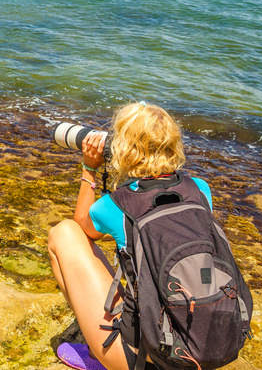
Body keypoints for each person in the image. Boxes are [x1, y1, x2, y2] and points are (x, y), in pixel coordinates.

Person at [47, 102, 213, 370]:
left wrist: (89, 168)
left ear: (121, 147)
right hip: (203, 345)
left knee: (62, 234)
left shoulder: (117, 203)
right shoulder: (200, 190)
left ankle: (100, 355)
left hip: (146, 359)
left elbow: (81, 228)